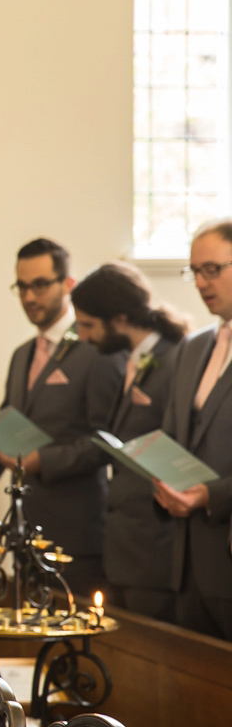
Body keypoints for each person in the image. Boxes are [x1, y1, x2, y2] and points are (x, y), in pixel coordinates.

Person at [0, 239, 125, 598]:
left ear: (68, 285)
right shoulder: (23, 356)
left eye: (40, 285)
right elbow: (2, 435)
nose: (29, 296)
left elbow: (108, 441)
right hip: (25, 529)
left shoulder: (97, 349)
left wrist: (42, 461)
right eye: (21, 286)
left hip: (78, 534)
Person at [71, 262, 188, 621]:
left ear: (119, 318)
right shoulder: (136, 362)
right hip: (126, 549)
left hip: (155, 550)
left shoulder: (174, 360)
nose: (85, 337)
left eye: (89, 325)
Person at [157, 219, 232, 640]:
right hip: (186, 560)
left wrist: (210, 494)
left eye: (212, 269)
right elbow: (173, 436)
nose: (201, 282)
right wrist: (161, 476)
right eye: (194, 271)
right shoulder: (194, 346)